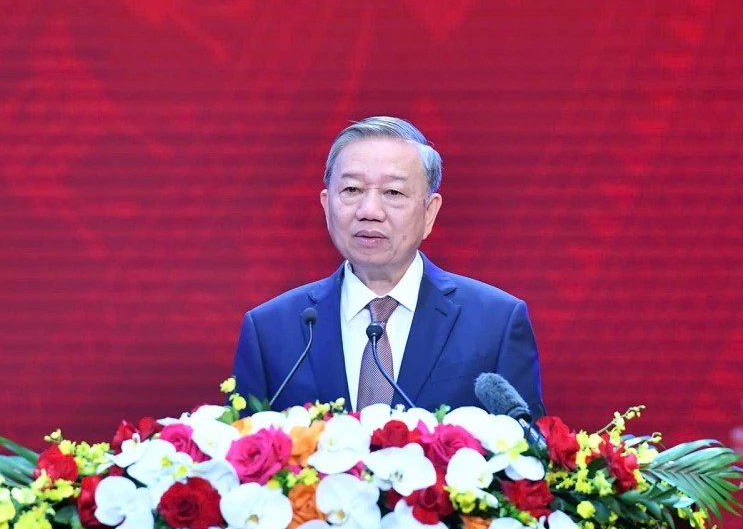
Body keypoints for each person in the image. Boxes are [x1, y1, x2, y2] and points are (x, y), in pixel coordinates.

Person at [231, 116, 544, 416]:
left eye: (393, 192)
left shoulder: (496, 324)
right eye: (352, 190)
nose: (369, 210)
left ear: (430, 213)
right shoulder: (270, 330)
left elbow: (528, 448)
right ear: (327, 206)